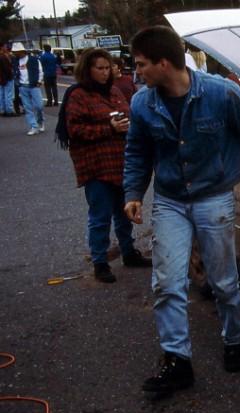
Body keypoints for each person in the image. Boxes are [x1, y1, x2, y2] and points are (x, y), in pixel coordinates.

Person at [123, 26, 240, 396]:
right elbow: (137, 151)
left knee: (223, 280)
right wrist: (133, 191)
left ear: (164, 63)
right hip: (170, 200)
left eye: (142, 64)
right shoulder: (142, 104)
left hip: (214, 197)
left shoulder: (221, 94)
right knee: (167, 283)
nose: (137, 72)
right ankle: (177, 361)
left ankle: (232, 339)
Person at [58, 48, 152, 284]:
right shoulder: (78, 95)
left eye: (107, 67)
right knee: (100, 217)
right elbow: (74, 131)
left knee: (124, 212)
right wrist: (108, 128)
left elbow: (129, 116)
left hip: (120, 162)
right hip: (96, 166)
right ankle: (100, 262)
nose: (104, 72)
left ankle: (128, 252)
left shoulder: (114, 91)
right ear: (87, 69)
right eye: (99, 68)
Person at [13, 44, 45, 135]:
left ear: (22, 51)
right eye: (14, 52)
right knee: (28, 108)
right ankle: (33, 126)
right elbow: (15, 72)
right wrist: (17, 83)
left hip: (34, 85)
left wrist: (39, 81)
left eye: (16, 52)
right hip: (22, 86)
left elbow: (40, 71)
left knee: (39, 106)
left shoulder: (33, 59)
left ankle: (40, 121)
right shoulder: (15, 61)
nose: (15, 54)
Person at [0, 45, 14, 116]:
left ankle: (2, 109)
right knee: (8, 94)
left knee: (1, 94)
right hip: (7, 78)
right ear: (1, 47)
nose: (6, 48)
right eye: (5, 46)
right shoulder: (3, 57)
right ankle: (9, 110)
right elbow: (7, 68)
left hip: (1, 78)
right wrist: (11, 73)